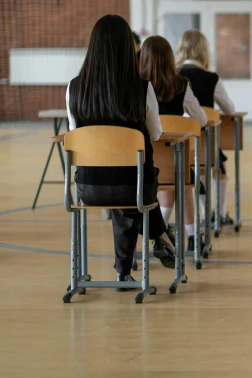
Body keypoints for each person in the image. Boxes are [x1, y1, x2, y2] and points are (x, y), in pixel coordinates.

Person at [66, 15, 176, 289]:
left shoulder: (74, 88)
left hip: (88, 187)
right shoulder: (142, 88)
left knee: (123, 204)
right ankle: (160, 234)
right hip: (135, 186)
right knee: (132, 195)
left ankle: (125, 271)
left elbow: (74, 134)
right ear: (130, 48)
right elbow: (155, 134)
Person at [140, 36, 208, 253]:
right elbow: (202, 120)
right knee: (183, 183)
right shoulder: (181, 85)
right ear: (171, 58)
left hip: (144, 162)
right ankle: (193, 237)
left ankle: (160, 236)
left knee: (165, 186)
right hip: (174, 160)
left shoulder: (136, 86)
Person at [175, 30, 236, 225]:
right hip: (203, 143)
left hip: (175, 143)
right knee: (218, 166)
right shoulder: (211, 78)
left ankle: (202, 213)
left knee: (197, 166)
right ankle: (217, 214)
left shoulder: (172, 76)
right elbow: (230, 109)